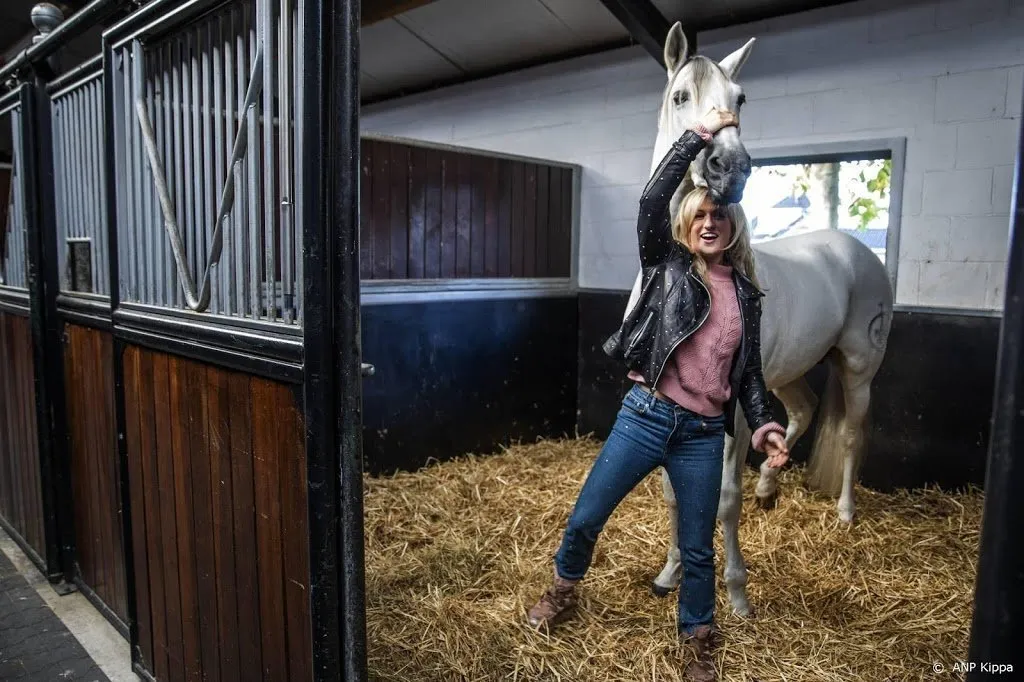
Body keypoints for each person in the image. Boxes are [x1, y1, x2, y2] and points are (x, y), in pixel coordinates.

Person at [525, 109, 790, 682]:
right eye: (700, 215)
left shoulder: (747, 296)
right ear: (686, 224)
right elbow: (650, 199)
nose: (709, 223)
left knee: (697, 550)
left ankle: (698, 638)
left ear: (733, 226)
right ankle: (564, 588)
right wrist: (697, 137)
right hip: (645, 416)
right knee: (586, 517)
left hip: (701, 436)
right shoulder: (664, 265)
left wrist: (765, 424)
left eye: (719, 215)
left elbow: (749, 375)